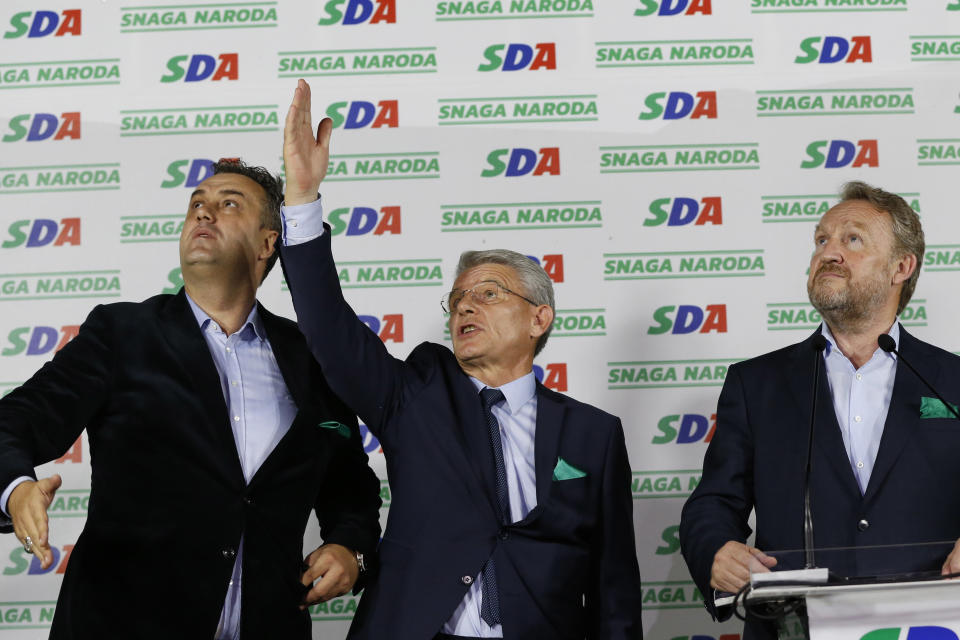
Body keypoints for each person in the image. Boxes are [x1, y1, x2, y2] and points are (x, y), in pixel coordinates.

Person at [278, 79, 643, 640]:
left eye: (490, 293)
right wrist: (302, 199)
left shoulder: (594, 434)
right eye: (457, 300)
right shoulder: (415, 395)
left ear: (538, 318)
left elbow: (614, 582)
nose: (466, 306)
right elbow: (329, 330)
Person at [0, 159, 382, 638]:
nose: (204, 214)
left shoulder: (310, 357)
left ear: (268, 243)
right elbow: (13, 421)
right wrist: (15, 488)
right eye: (196, 205)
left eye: (228, 205)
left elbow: (351, 486)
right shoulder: (122, 334)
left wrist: (350, 548)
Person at [680, 181, 960, 639]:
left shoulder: (951, 381)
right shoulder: (757, 384)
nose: (829, 252)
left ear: (901, 267)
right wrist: (714, 549)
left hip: (930, 623)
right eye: (821, 240)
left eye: (852, 240)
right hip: (795, 625)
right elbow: (713, 502)